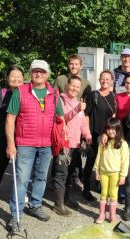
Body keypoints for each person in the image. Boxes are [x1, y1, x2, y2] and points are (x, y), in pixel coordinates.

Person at [5, 59, 64, 231]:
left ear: (48, 75)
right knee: (21, 180)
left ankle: (35, 204)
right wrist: (11, 144)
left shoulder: (54, 94)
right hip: (25, 144)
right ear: (30, 73)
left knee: (41, 177)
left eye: (42, 71)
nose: (39, 74)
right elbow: (10, 119)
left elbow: (61, 118)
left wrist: (62, 139)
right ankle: (16, 215)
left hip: (46, 145)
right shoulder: (20, 92)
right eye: (35, 71)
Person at [51, 76, 92, 216]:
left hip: (75, 145)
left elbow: (82, 123)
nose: (75, 89)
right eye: (73, 85)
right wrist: (76, 109)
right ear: (67, 85)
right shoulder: (60, 101)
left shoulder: (77, 102)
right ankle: (58, 204)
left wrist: (87, 136)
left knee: (69, 173)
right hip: (64, 144)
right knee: (61, 173)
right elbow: (62, 119)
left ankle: (66, 199)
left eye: (77, 87)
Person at [0, 65, 24, 207]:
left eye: (19, 77)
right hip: (4, 135)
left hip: (22, 136)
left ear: (23, 78)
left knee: (22, 168)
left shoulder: (27, 93)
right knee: (0, 165)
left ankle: (20, 193)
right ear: (8, 78)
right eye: (13, 77)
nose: (16, 79)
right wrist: (12, 114)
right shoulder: (1, 93)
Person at [54, 54, 92, 189]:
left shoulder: (86, 84)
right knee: (60, 159)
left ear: (81, 66)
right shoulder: (60, 79)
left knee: (75, 156)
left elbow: (85, 109)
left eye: (76, 64)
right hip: (63, 124)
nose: (73, 66)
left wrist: (87, 132)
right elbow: (54, 101)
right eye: (71, 63)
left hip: (77, 123)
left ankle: (74, 180)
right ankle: (57, 184)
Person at [82, 70, 117, 201]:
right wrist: (87, 133)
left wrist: (111, 132)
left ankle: (101, 186)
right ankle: (86, 189)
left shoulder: (113, 96)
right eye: (103, 78)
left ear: (112, 80)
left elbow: (113, 115)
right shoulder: (93, 95)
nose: (105, 81)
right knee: (91, 162)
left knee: (104, 161)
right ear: (99, 79)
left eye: (108, 79)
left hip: (108, 134)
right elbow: (86, 114)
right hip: (94, 133)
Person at [94, 118, 129, 224]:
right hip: (104, 172)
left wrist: (123, 176)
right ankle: (102, 214)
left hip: (116, 173)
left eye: (113, 129)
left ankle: (112, 215)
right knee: (104, 193)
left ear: (119, 129)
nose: (110, 131)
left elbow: (125, 161)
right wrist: (97, 171)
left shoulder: (123, 144)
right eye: (108, 129)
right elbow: (99, 156)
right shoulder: (104, 142)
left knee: (113, 194)